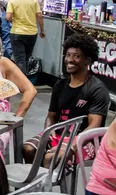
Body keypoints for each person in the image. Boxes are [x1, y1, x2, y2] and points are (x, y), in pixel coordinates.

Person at [22, 33, 110, 164]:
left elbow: (94, 126)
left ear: (88, 60)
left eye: (76, 56)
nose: (69, 60)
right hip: (58, 135)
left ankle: (47, 183)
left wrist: (73, 147)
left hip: (84, 141)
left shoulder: (97, 89)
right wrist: (49, 129)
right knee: (28, 149)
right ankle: (37, 182)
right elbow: (51, 116)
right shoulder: (60, 85)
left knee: (51, 157)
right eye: (68, 55)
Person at [6, 0, 45, 75]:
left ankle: (22, 83)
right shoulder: (33, 0)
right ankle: (25, 81)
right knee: (27, 57)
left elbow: (8, 17)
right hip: (32, 33)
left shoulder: (12, 0)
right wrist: (42, 30)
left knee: (19, 59)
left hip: (17, 33)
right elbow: (39, 16)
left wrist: (14, 18)